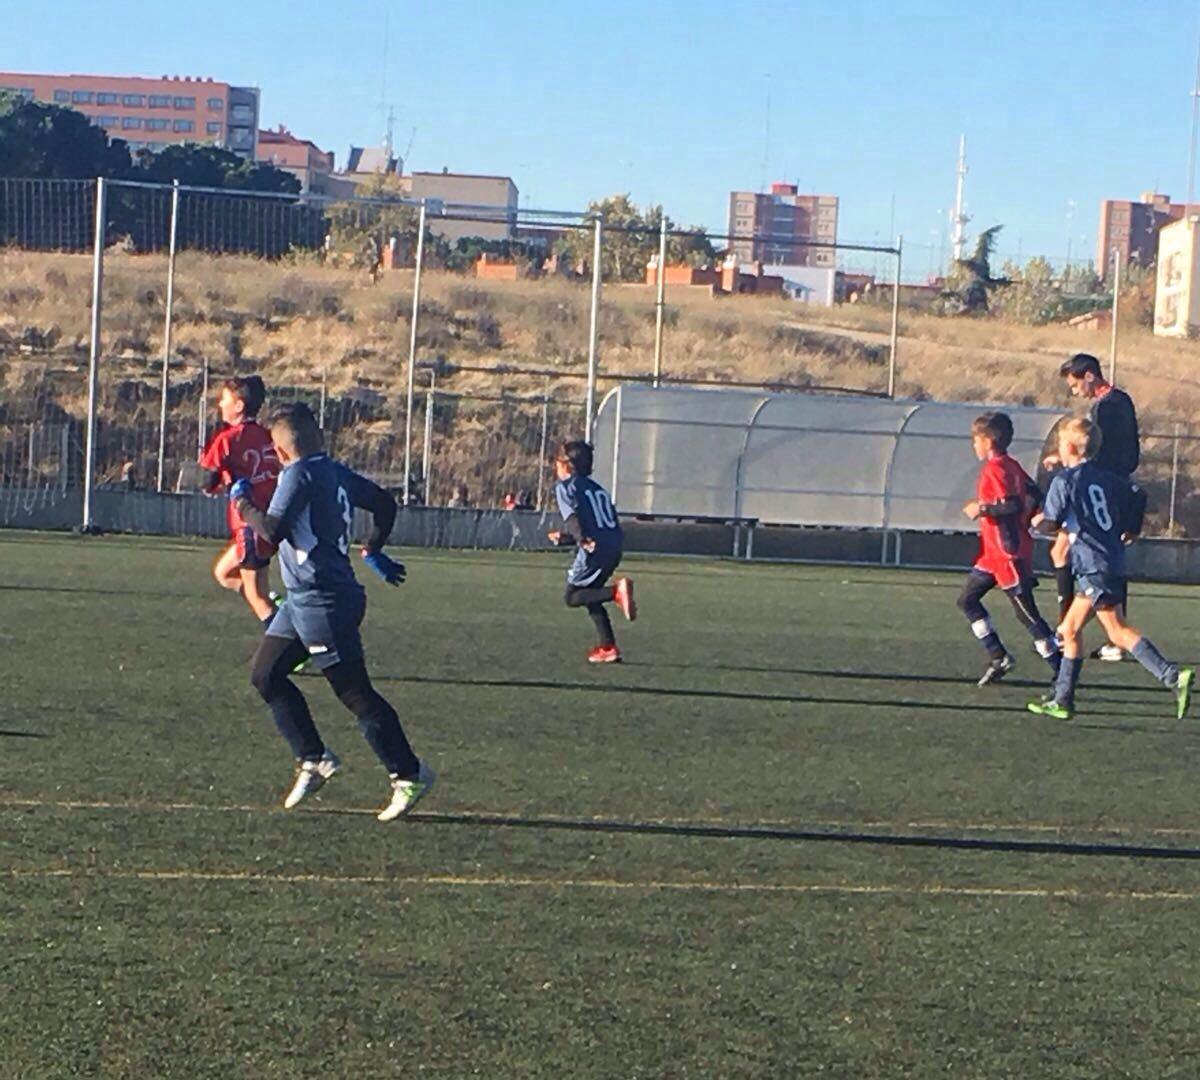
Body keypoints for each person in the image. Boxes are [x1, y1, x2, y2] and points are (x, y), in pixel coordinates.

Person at [232, 402, 434, 821]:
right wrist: (373, 548)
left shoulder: (298, 474)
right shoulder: (334, 471)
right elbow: (384, 503)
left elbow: (273, 530)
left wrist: (243, 504)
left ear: (280, 451)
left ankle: (409, 773)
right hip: (302, 599)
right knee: (266, 675)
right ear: (319, 437)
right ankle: (314, 758)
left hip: (324, 601)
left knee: (354, 693)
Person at [1027, 417, 1191, 721]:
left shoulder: (1064, 481)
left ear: (1070, 447)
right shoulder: (1105, 477)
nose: (1058, 448)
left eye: (1060, 443)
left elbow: (1052, 522)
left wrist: (1036, 522)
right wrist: (1132, 528)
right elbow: (1138, 494)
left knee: (1116, 631)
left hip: (1093, 564)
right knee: (1069, 630)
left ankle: (1171, 675)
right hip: (1110, 559)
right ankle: (1062, 700)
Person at [1046, 353, 1140, 661]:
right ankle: (1102, 636)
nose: (1075, 392)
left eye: (1075, 385)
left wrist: (1070, 462)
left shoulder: (1105, 407)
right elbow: (1129, 450)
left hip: (1100, 490)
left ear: (1089, 376)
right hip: (1115, 488)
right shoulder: (1121, 400)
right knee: (1108, 558)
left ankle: (1066, 632)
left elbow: (1098, 451)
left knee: (1064, 552)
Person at [958, 412, 1061, 686]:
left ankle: (1061, 669)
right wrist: (1034, 514)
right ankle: (998, 656)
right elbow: (1034, 493)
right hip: (992, 555)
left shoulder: (996, 468)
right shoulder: (1011, 465)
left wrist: (981, 509)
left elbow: (1011, 505)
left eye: (976, 440)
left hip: (1007, 554)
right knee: (967, 600)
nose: (974, 445)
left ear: (988, 441)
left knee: (1027, 615)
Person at [195, 376, 280, 628]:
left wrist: (216, 482)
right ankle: (280, 611)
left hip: (249, 525)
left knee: (257, 597)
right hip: (272, 520)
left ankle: (287, 640)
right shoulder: (269, 436)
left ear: (239, 405)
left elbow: (206, 480)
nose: (220, 404)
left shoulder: (228, 439)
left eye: (225, 399)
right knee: (224, 573)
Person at [547, 439, 636, 663]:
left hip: (595, 549)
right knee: (591, 595)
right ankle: (608, 647)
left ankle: (616, 592)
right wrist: (569, 538)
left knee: (572, 596)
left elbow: (572, 517)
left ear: (567, 465)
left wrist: (580, 539)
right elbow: (601, 524)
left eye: (557, 461)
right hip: (614, 546)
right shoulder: (598, 490)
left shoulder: (566, 487)